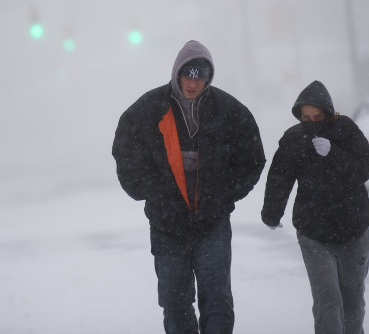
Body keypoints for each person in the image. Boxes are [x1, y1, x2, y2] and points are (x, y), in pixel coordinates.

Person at [112, 39, 266, 334]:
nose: (194, 84)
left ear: (208, 78)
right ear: (177, 73)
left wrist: (224, 196)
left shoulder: (228, 110)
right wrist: (150, 191)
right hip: (167, 227)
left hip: (212, 224)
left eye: (201, 77)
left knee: (217, 302)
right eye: (189, 75)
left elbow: (253, 157)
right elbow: (125, 151)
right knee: (175, 303)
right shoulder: (149, 109)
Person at [261, 80, 369, 334]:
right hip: (314, 233)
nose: (312, 122)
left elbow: (365, 168)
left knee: (353, 304)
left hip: (353, 230)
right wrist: (271, 213)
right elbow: (280, 176)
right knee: (328, 301)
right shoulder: (294, 139)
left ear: (329, 114)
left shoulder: (346, 131)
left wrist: (333, 153)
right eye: (306, 117)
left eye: (317, 116)